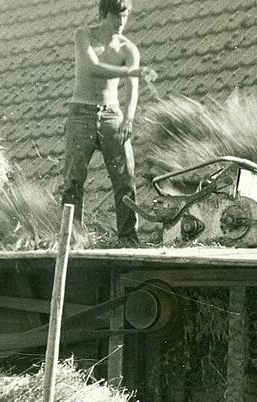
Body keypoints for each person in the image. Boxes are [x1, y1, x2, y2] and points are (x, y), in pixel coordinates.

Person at [62, 0, 157, 245]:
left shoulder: (128, 50)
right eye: (116, 18)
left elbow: (132, 91)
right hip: (81, 113)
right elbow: (93, 68)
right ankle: (72, 238)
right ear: (103, 14)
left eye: (125, 18)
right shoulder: (84, 35)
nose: (120, 24)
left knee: (125, 177)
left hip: (112, 115)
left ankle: (128, 237)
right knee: (74, 179)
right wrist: (132, 72)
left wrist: (129, 119)